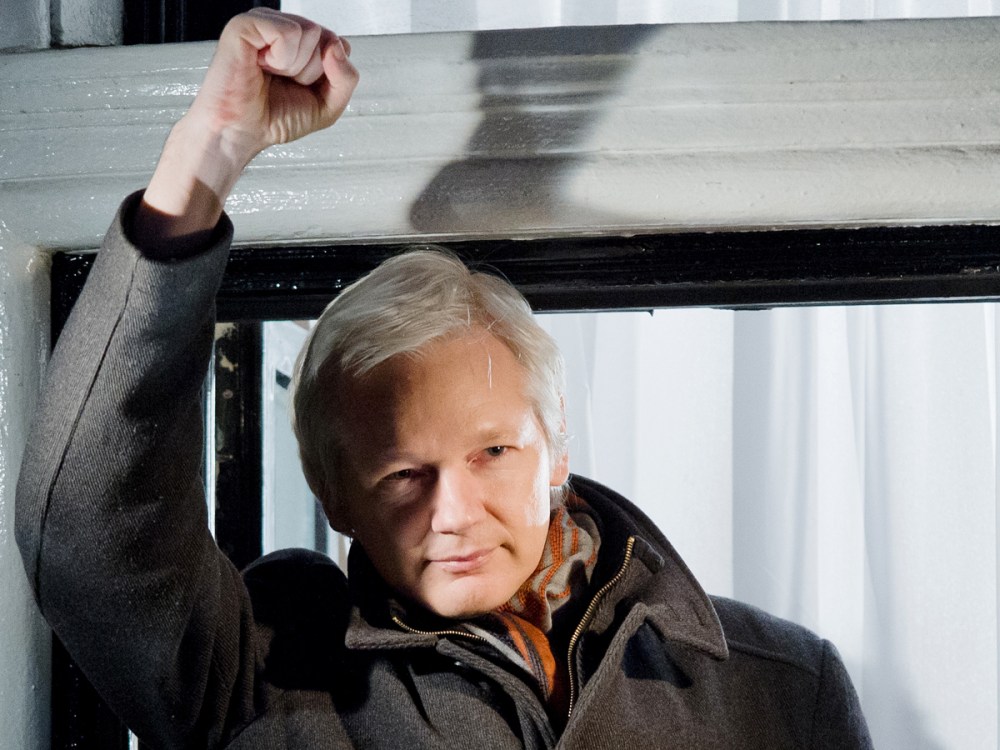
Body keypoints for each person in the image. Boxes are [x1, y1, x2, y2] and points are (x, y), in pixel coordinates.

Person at [15, 9, 872, 749]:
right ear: (333, 495)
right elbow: (92, 533)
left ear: (557, 445)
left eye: (494, 450)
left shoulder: (784, 686)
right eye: (401, 474)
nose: (453, 513)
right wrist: (209, 150)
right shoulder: (261, 672)